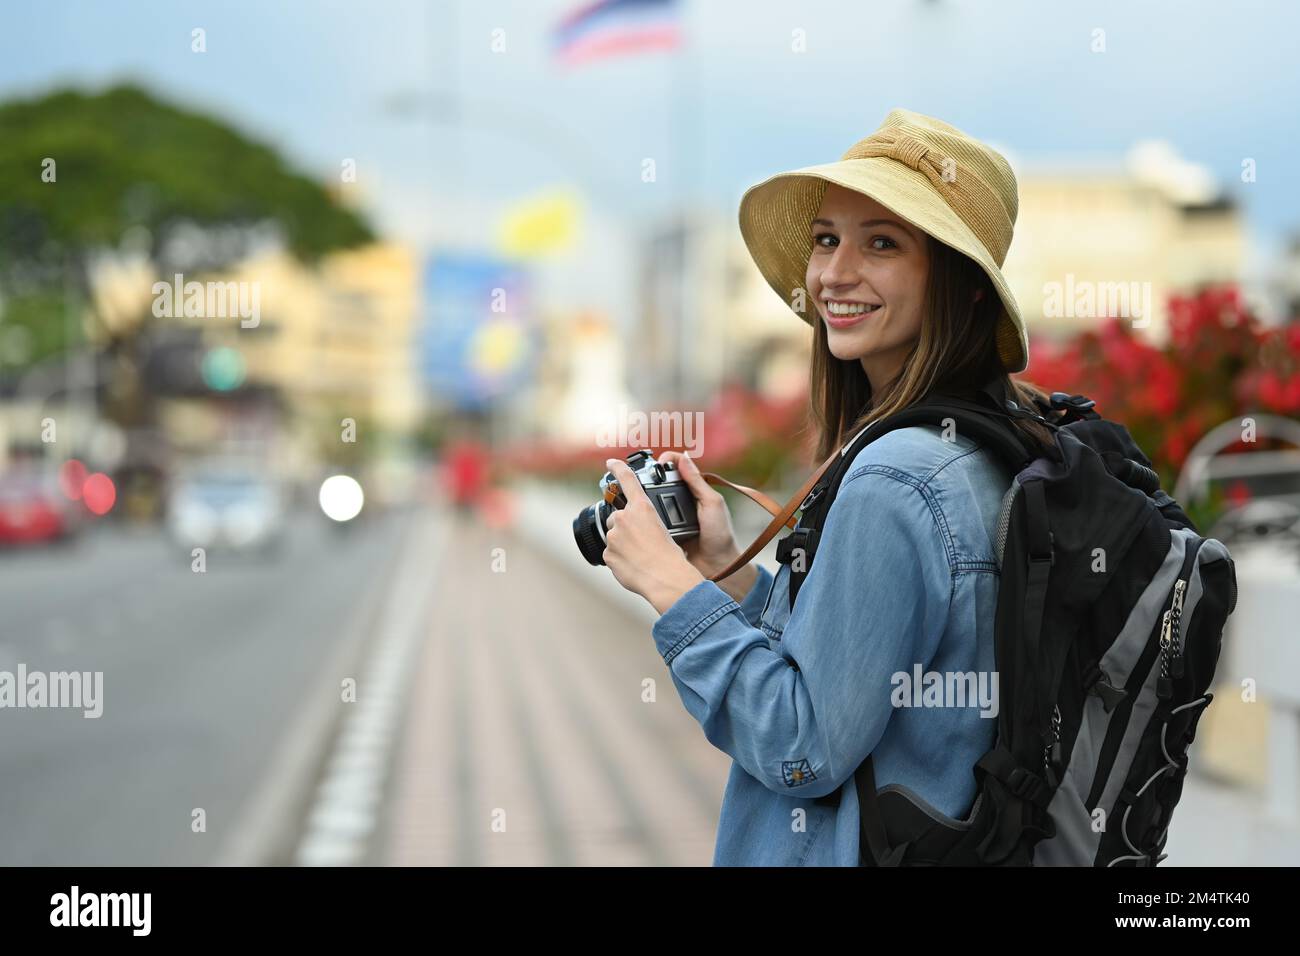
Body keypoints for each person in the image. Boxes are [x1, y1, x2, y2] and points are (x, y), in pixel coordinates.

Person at [600, 109, 1061, 865]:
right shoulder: (990, 441)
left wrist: (667, 585)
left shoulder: (896, 479)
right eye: (826, 239)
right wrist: (729, 572)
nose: (834, 274)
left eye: (882, 243)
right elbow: (862, 665)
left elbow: (802, 745)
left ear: (962, 284)